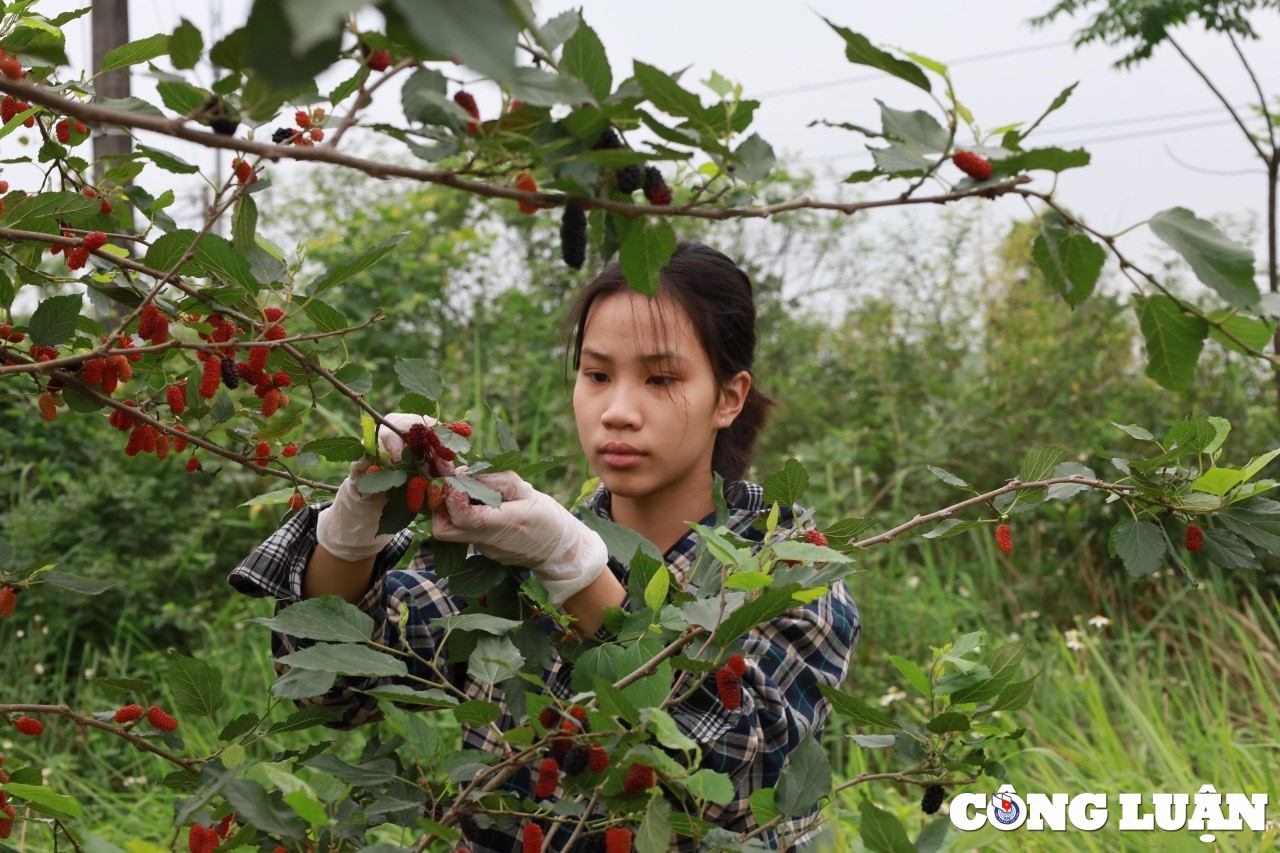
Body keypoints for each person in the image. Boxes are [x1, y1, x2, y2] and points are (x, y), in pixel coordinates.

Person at [229, 241, 860, 850]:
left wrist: (573, 568)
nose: (617, 410)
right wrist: (355, 525)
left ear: (729, 397)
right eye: (596, 374)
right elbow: (329, 688)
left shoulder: (788, 571)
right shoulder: (511, 560)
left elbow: (742, 772)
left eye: (661, 378)